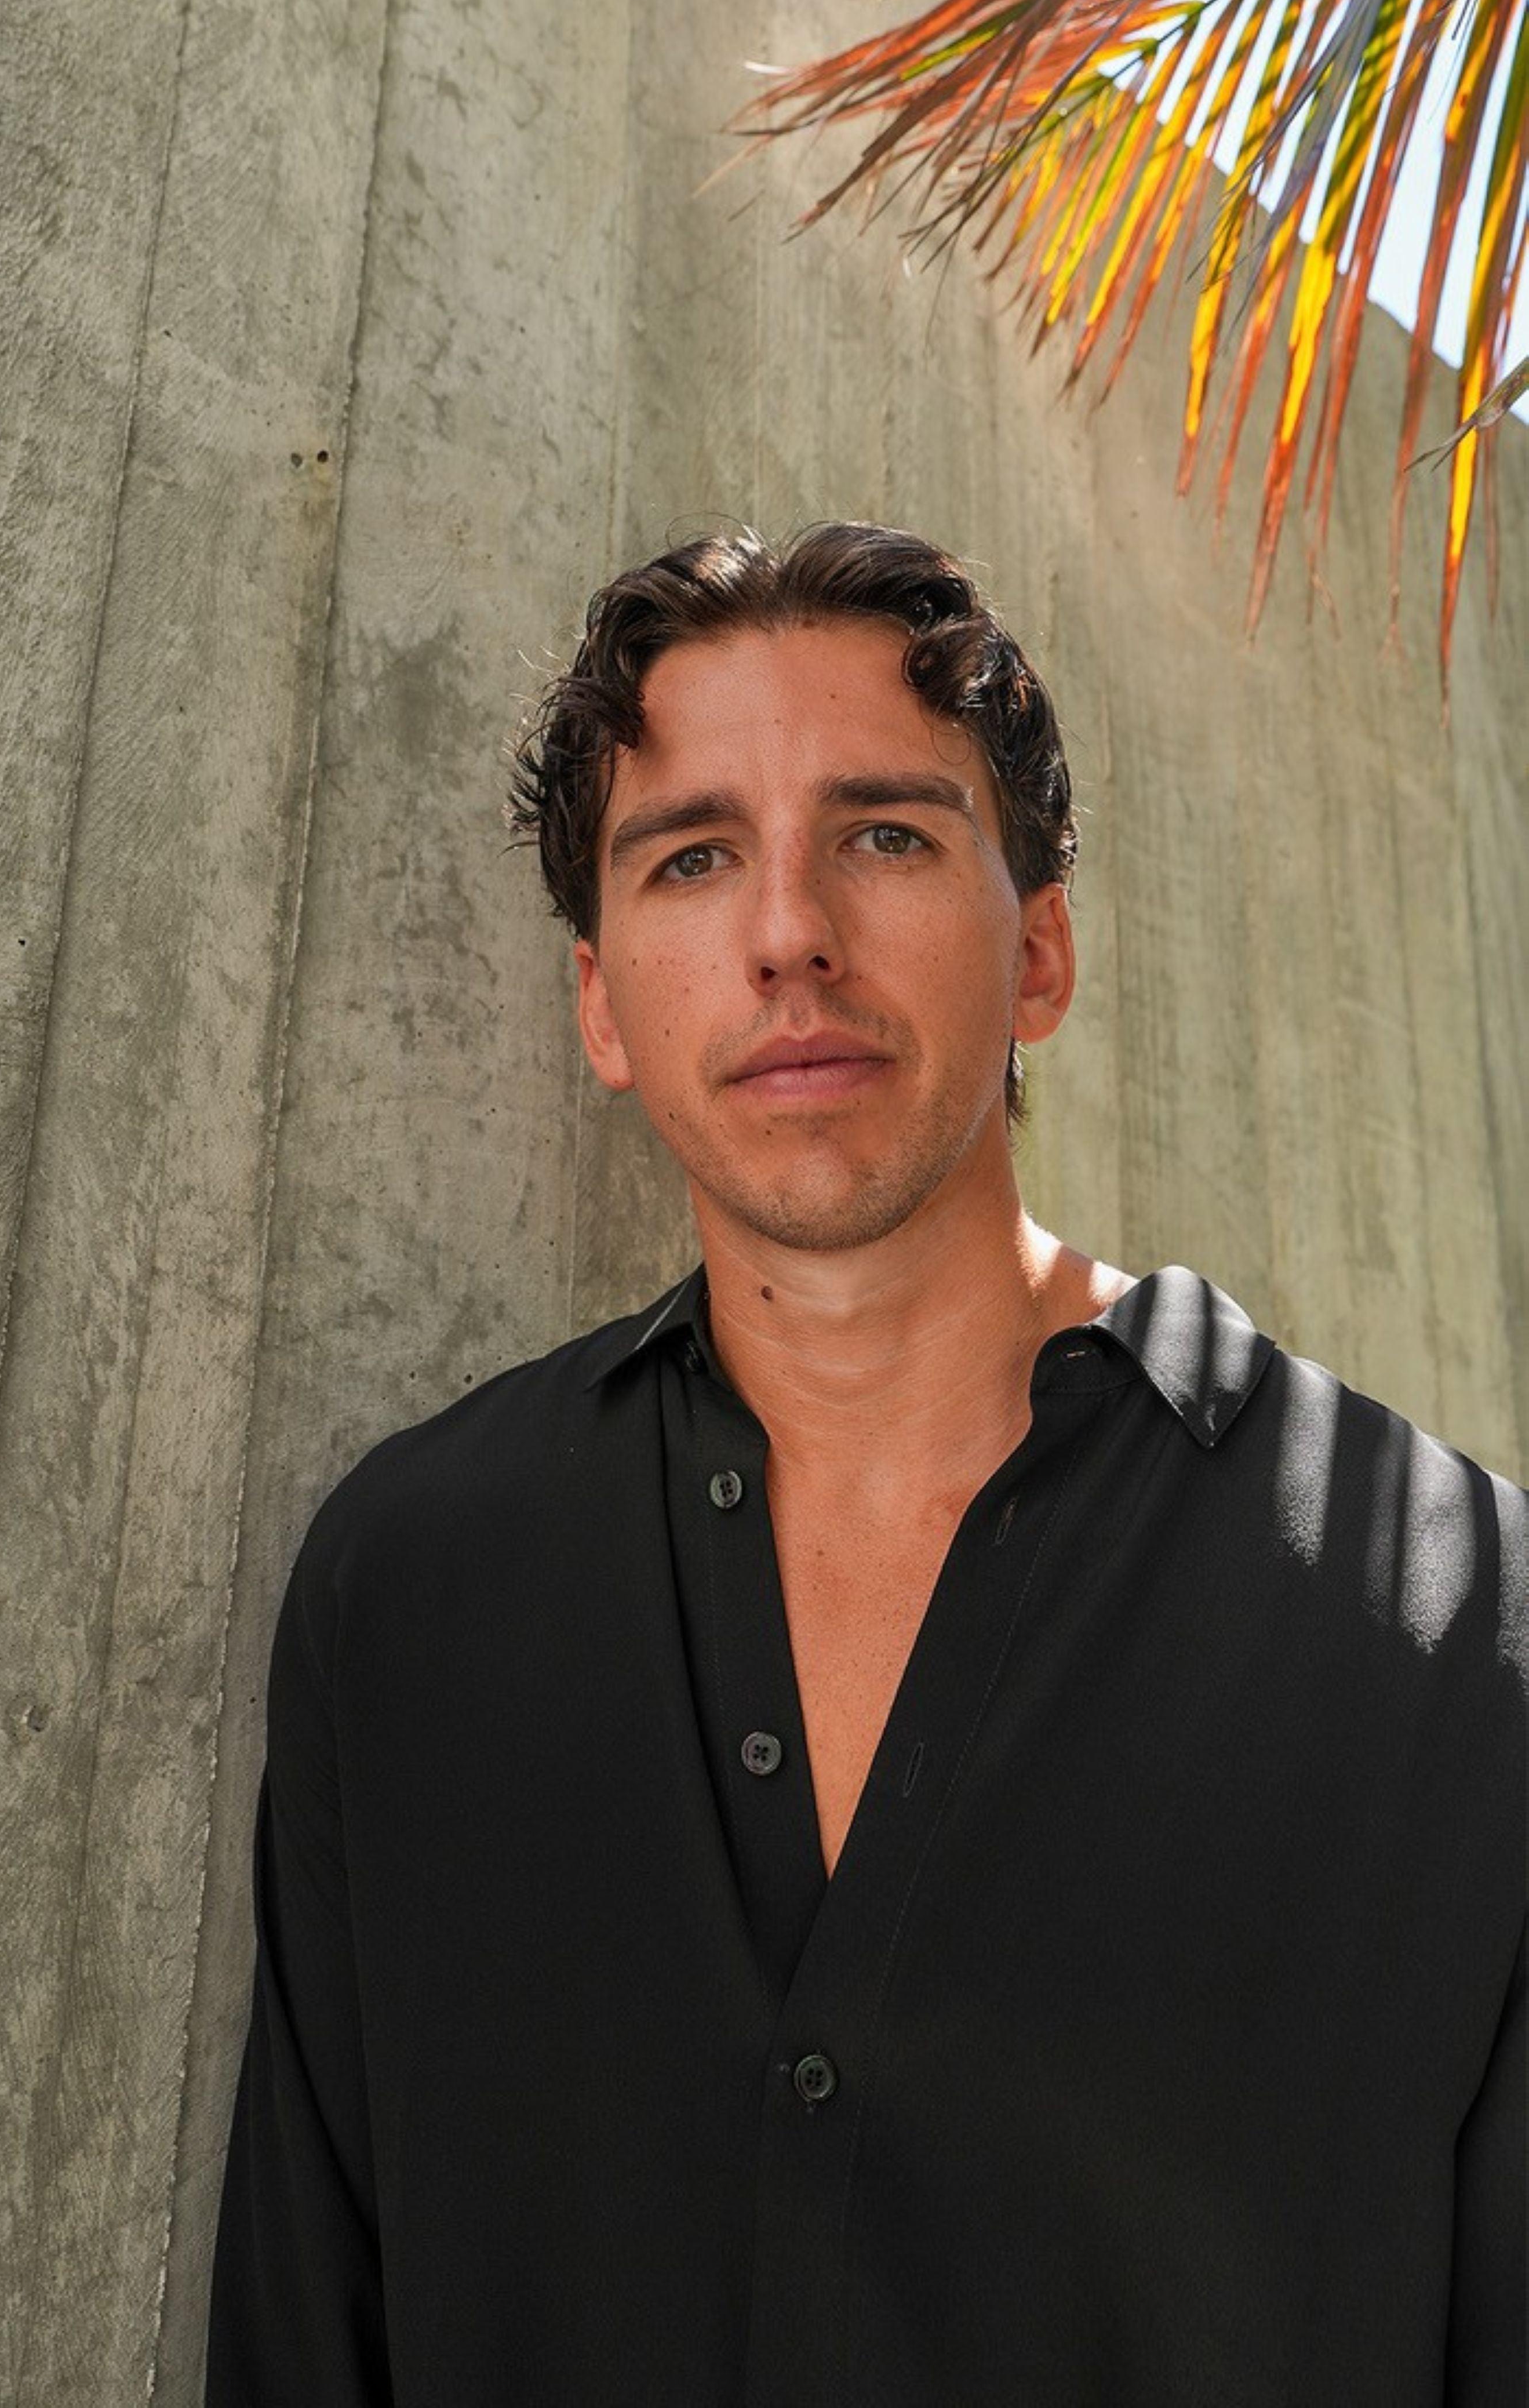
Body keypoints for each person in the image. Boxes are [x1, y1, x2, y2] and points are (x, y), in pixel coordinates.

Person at [206, 521, 1526, 2407]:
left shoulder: (1465, 1640)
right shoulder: (408, 1593)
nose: (788, 932)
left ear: (1040, 947)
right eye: (691, 857)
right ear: (600, 1003)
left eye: (886, 835)